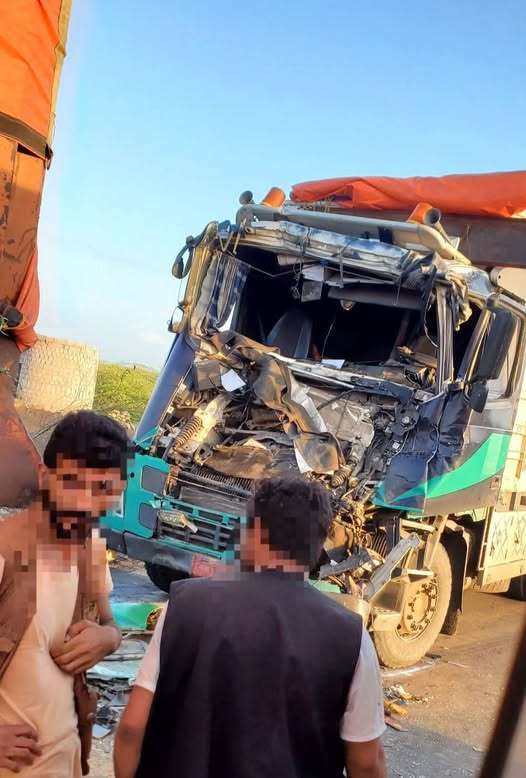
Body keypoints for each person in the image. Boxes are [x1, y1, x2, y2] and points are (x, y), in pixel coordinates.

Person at [115, 476, 386, 778]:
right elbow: (365, 762)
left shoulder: (183, 606)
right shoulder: (350, 637)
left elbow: (132, 728)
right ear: (319, 544)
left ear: (253, 532)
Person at [0, 410, 130, 776]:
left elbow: (110, 624)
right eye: (73, 483)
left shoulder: (90, 549)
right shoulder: (4, 553)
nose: (86, 503)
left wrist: (108, 638)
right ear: (45, 476)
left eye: (102, 490)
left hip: (66, 761)